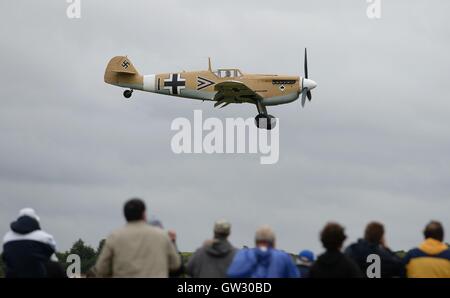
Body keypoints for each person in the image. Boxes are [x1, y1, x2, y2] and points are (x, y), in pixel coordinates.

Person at [93, 198, 181, 277]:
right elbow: (175, 264)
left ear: (125, 215)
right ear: (144, 214)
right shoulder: (162, 235)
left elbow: (101, 269)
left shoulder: (114, 236)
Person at [2, 208, 58, 278]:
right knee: (55, 266)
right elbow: (53, 253)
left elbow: (5, 257)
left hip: (13, 274)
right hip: (37, 274)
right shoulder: (44, 237)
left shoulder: (7, 238)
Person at [227, 225, 299, 278]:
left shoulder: (243, 255)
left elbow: (232, 274)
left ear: (256, 241)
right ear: (273, 242)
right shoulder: (283, 257)